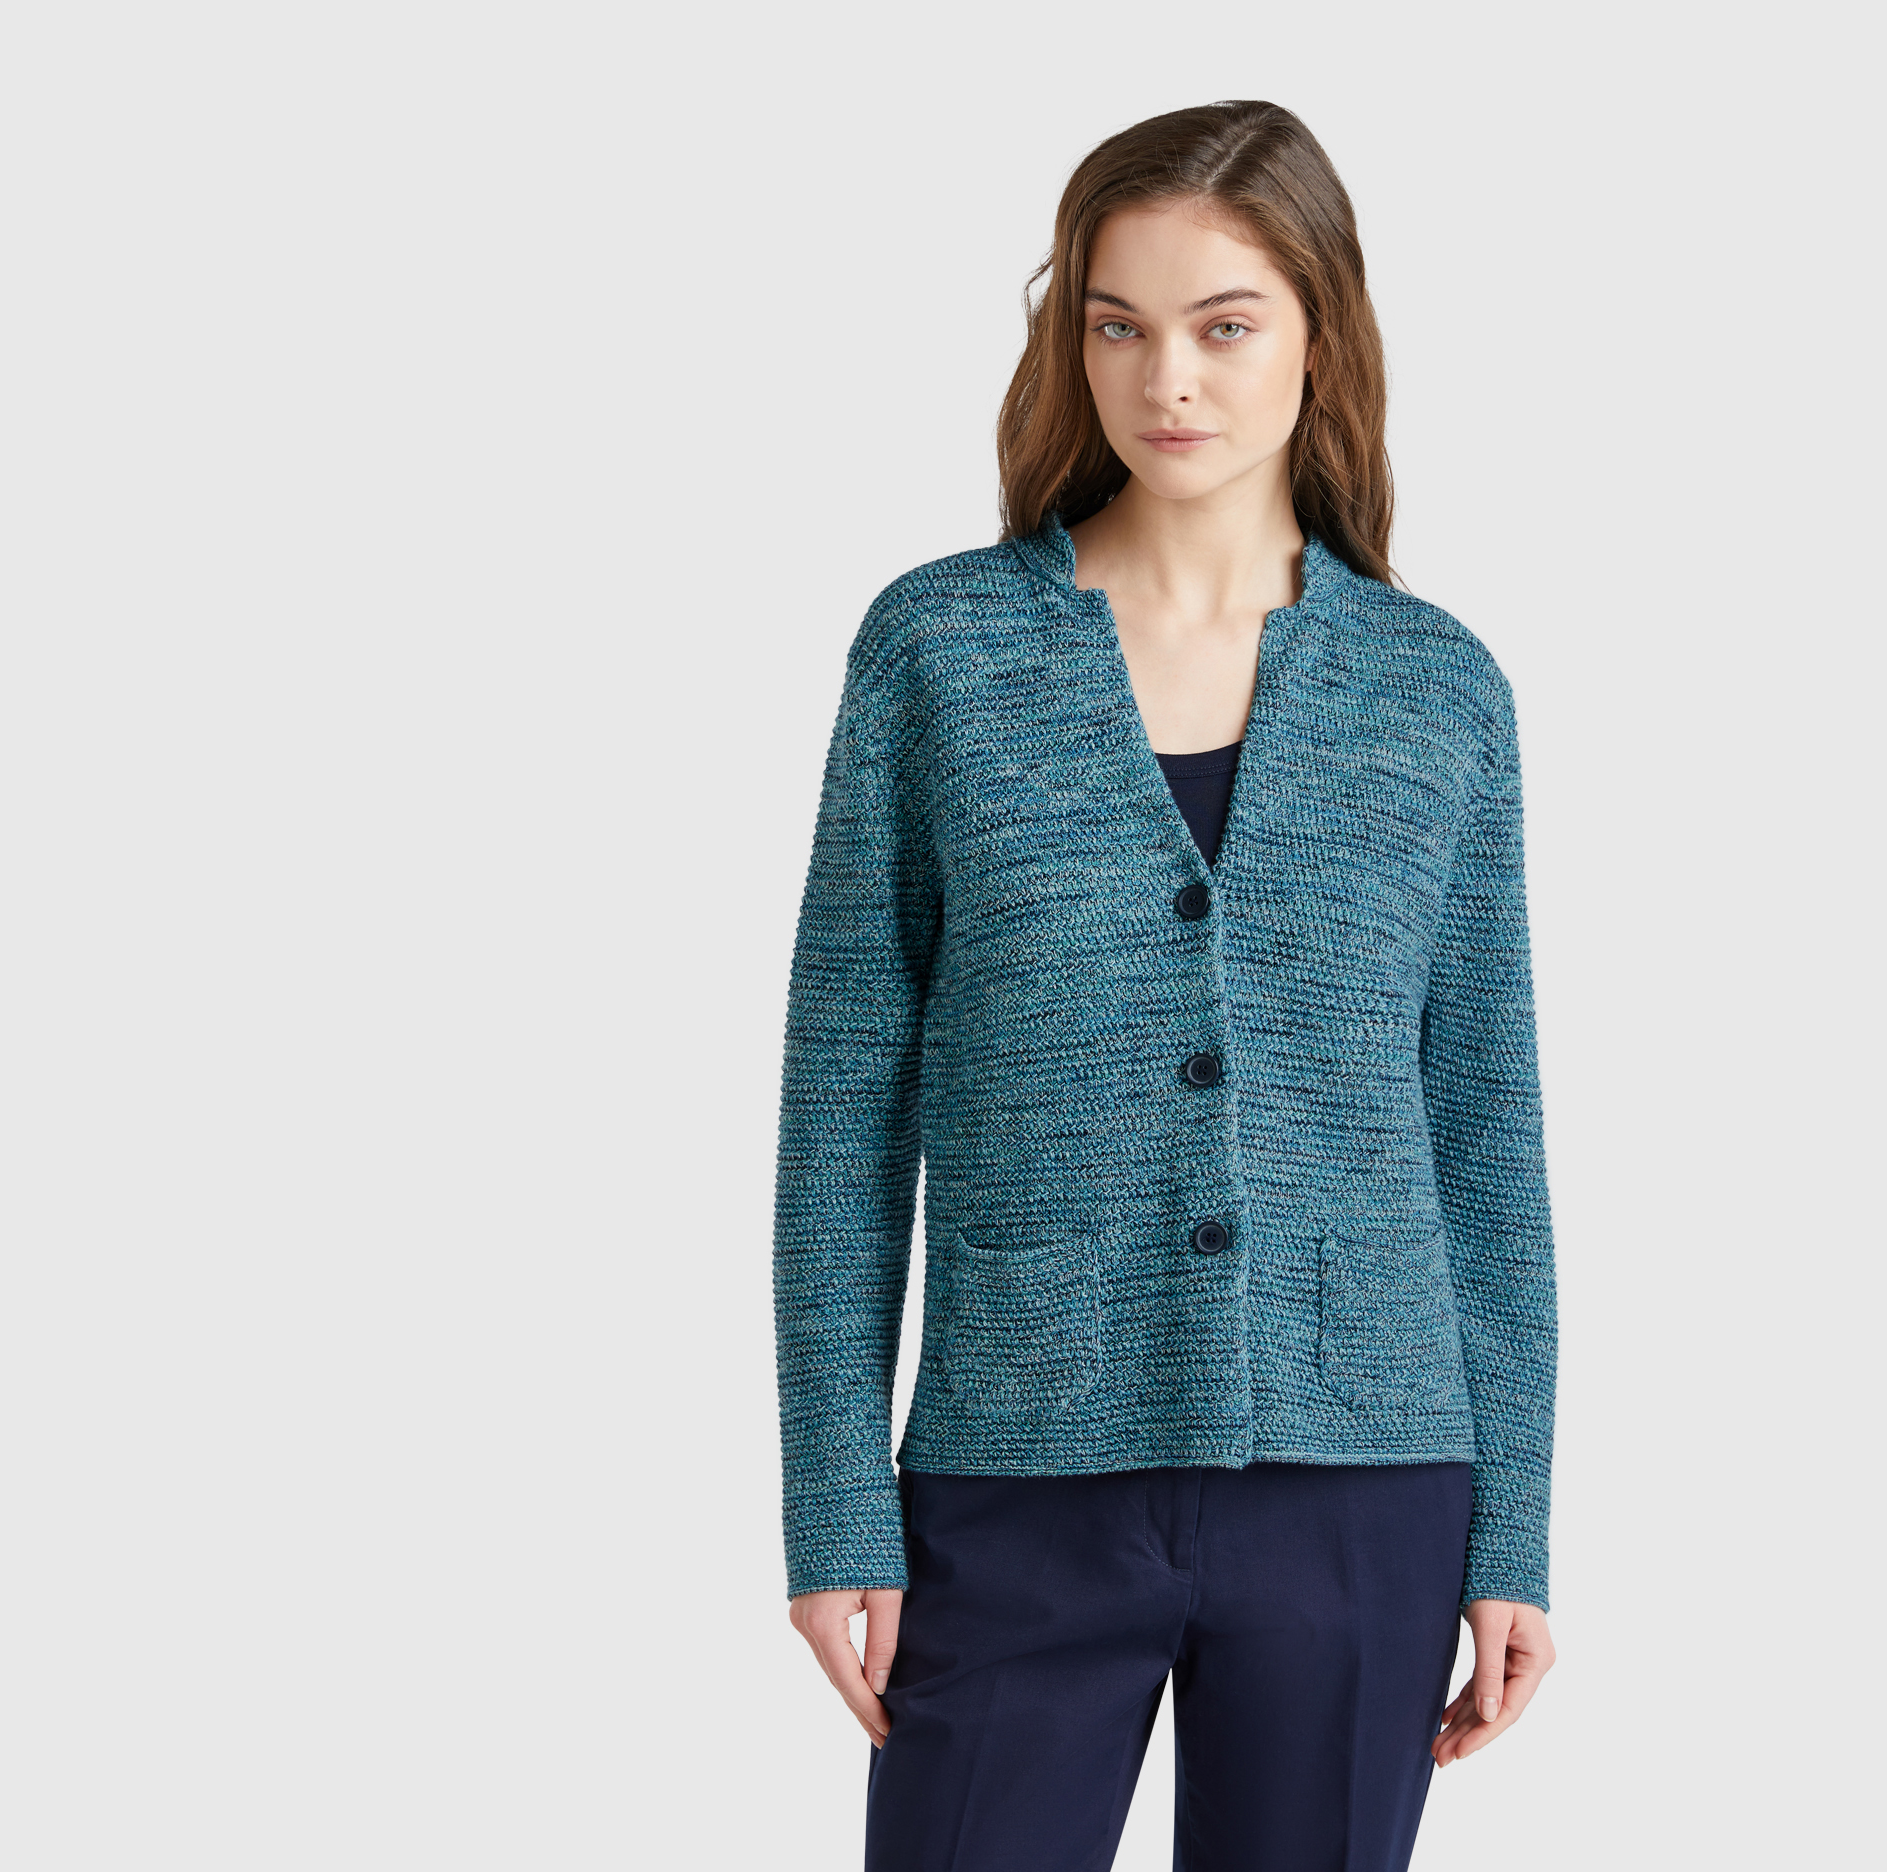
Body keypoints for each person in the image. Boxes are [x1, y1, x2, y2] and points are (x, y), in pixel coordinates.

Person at [774, 99, 1558, 1871]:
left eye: (1224, 325)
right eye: (1117, 325)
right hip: (1015, 1474)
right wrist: (836, 1502)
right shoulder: (941, 650)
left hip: (1365, 1485)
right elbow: (841, 1112)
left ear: (1321, 334)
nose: (1167, 379)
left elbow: (1484, 1133)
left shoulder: (1437, 691)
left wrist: (1511, 1528)